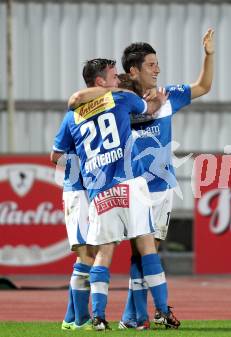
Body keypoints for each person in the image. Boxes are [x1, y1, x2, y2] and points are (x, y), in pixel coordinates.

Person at [51, 58, 179, 330]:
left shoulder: (72, 115)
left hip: (93, 189)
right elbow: (151, 108)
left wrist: (85, 163)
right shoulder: (122, 99)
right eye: (113, 76)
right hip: (127, 184)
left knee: (95, 253)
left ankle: (87, 318)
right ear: (100, 82)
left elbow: (56, 155)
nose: (118, 80)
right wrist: (157, 100)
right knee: (144, 246)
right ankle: (162, 311)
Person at [118, 28, 214, 330]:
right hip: (135, 187)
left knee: (148, 252)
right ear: (133, 70)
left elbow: (203, 86)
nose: (157, 69)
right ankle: (144, 315)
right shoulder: (120, 101)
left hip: (163, 186)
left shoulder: (169, 94)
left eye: (157, 64)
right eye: (150, 64)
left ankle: (131, 317)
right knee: (141, 251)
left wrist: (208, 55)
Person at [57, 153, 94, 331]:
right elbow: (55, 155)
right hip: (78, 192)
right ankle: (82, 320)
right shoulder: (72, 123)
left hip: (89, 190)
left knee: (88, 255)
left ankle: (70, 319)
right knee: (86, 256)